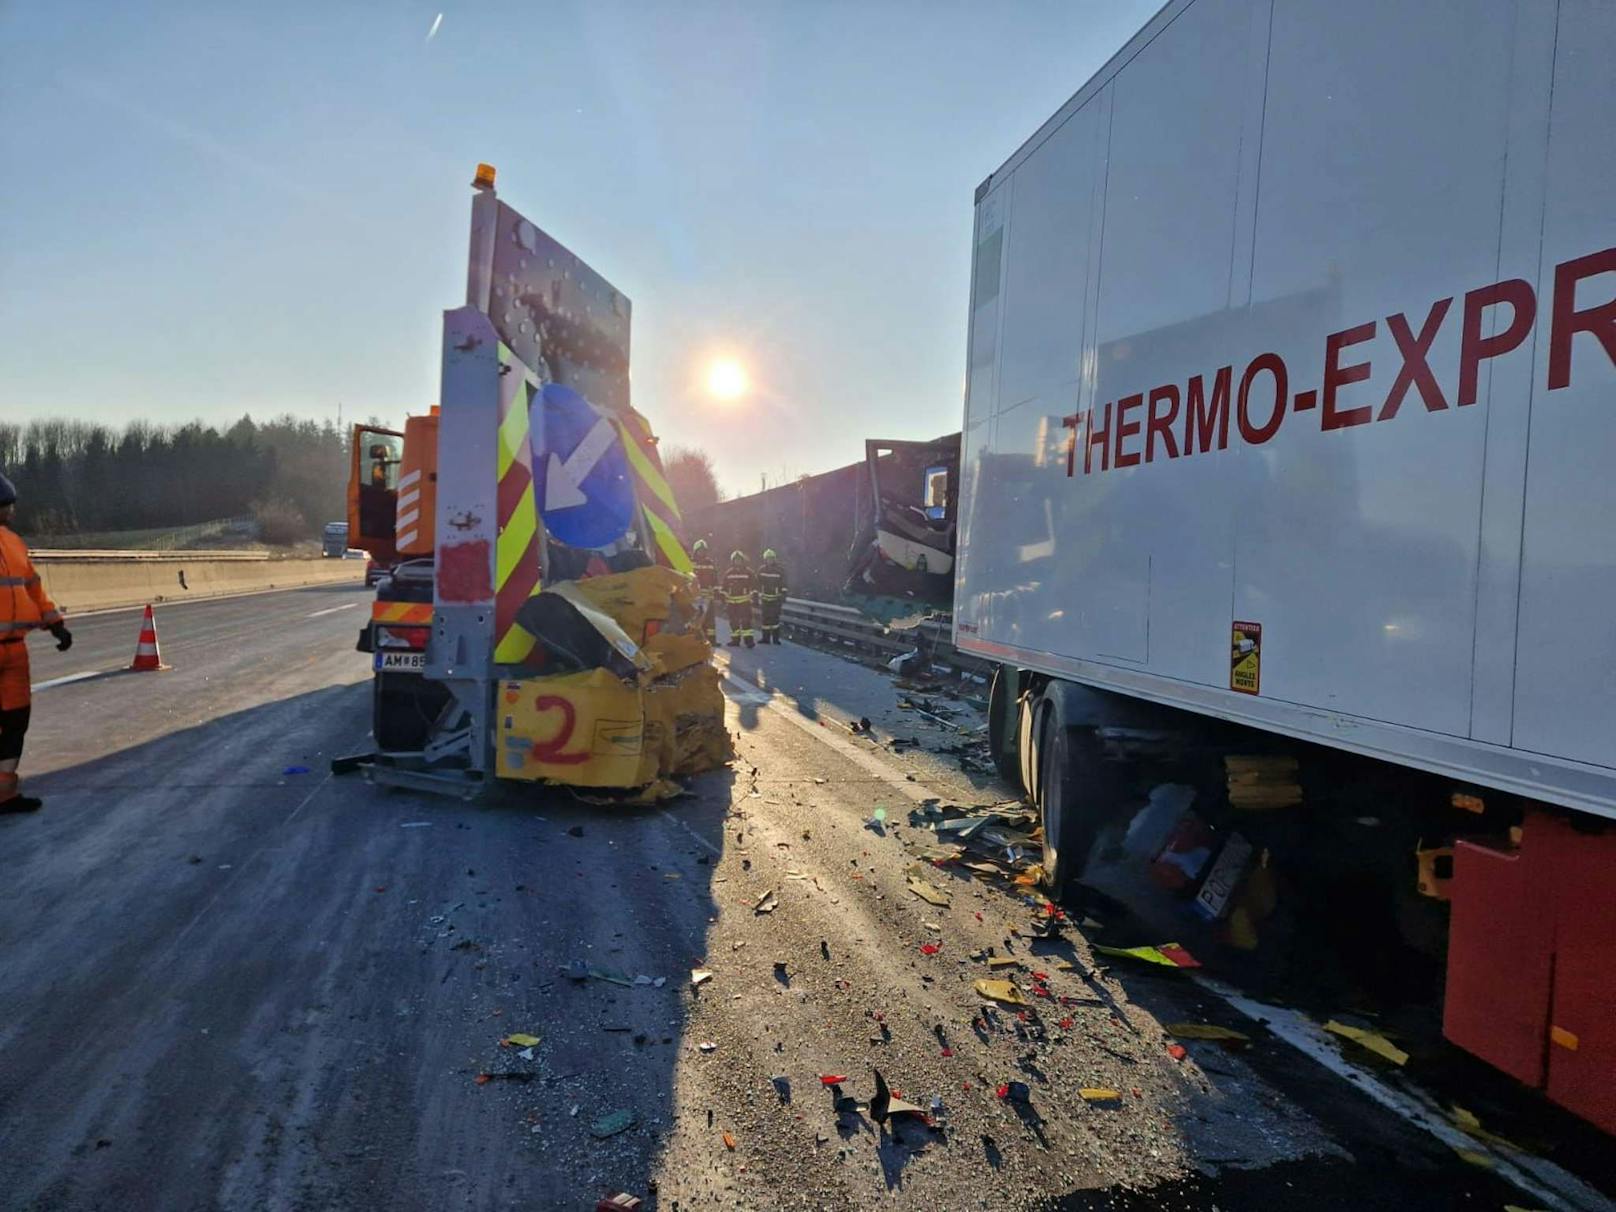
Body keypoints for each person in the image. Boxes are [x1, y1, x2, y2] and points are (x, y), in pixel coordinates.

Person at [0, 471, 72, 813]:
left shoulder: (14, 544)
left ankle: (4, 793)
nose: (11, 512)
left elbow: (33, 589)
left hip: (15, 651)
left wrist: (56, 624)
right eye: (6, 506)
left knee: (15, 721)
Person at [722, 549, 755, 649]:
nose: (737, 561)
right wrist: (724, 598)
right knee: (733, 622)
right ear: (733, 561)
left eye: (739, 560)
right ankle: (735, 640)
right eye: (736, 560)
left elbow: (754, 586)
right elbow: (724, 587)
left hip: (744, 602)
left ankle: (749, 641)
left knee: (746, 622)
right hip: (732, 602)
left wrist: (754, 597)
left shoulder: (749, 572)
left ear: (742, 560)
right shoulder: (728, 573)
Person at [757, 548, 788, 645]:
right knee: (765, 619)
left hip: (776, 599)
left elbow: (784, 584)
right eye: (768, 559)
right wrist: (755, 595)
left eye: (771, 559)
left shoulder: (780, 570)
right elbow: (757, 583)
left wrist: (783, 595)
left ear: (774, 559)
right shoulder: (761, 570)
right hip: (765, 599)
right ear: (765, 559)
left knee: (775, 620)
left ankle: (775, 639)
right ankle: (765, 638)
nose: (769, 560)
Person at [690, 539, 718, 645]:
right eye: (699, 550)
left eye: (703, 550)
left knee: (710, 620)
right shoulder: (690, 562)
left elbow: (715, 579)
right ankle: (695, 640)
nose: (701, 552)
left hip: (708, 597)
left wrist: (716, 591)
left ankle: (712, 641)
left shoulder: (710, 563)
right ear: (695, 551)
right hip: (695, 596)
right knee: (696, 619)